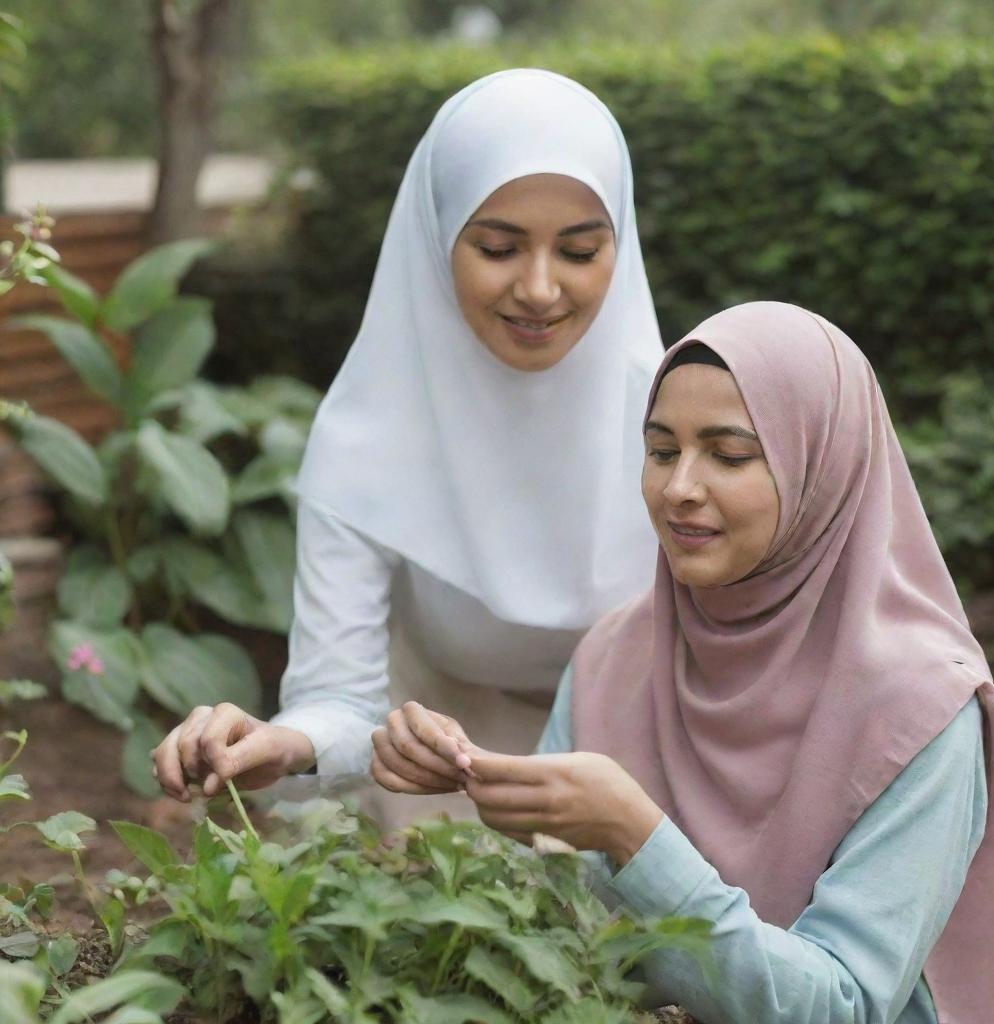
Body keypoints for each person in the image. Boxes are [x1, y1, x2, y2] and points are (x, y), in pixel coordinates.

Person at [375, 302, 994, 1023]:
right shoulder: (616, 655)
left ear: (821, 469)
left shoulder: (922, 707)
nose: (680, 487)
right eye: (660, 450)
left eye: (730, 454)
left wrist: (634, 835)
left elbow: (845, 1006)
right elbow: (553, 922)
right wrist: (486, 785)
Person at [152, 69, 665, 824]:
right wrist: (280, 743)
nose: (541, 289)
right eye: (497, 247)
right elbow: (343, 701)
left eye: (581, 252)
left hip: (654, 760)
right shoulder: (368, 437)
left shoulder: (677, 425)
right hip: (438, 767)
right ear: (434, 238)